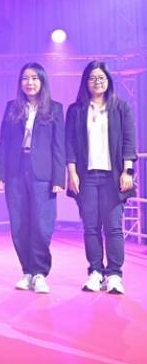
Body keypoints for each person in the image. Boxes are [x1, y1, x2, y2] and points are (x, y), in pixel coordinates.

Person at [66, 60, 136, 295]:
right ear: (85, 82)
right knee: (91, 227)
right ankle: (95, 272)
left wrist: (127, 171)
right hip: (86, 177)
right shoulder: (76, 110)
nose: (97, 82)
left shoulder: (121, 107)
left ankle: (114, 275)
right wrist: (72, 173)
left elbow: (129, 141)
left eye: (101, 77)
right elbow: (69, 145)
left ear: (108, 81)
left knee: (113, 227)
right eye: (93, 78)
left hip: (113, 177)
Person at [0, 63, 64, 294]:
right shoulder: (12, 107)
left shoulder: (54, 109)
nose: (30, 82)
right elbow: (4, 142)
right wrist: (0, 173)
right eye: (25, 78)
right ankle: (27, 271)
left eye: (34, 78)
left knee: (42, 224)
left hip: (43, 173)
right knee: (19, 223)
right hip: (15, 170)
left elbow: (59, 146)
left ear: (42, 81)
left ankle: (40, 273)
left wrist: (59, 178)